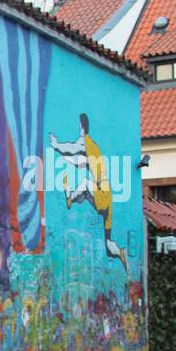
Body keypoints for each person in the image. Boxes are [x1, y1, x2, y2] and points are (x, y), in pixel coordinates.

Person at [50, 113, 128, 272]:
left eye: (79, 127)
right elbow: (80, 162)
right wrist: (66, 157)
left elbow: (72, 150)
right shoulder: (94, 148)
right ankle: (119, 252)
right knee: (108, 243)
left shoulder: (86, 142)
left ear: (82, 127)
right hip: (107, 198)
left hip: (101, 193)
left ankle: (71, 198)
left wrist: (56, 145)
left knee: (85, 184)